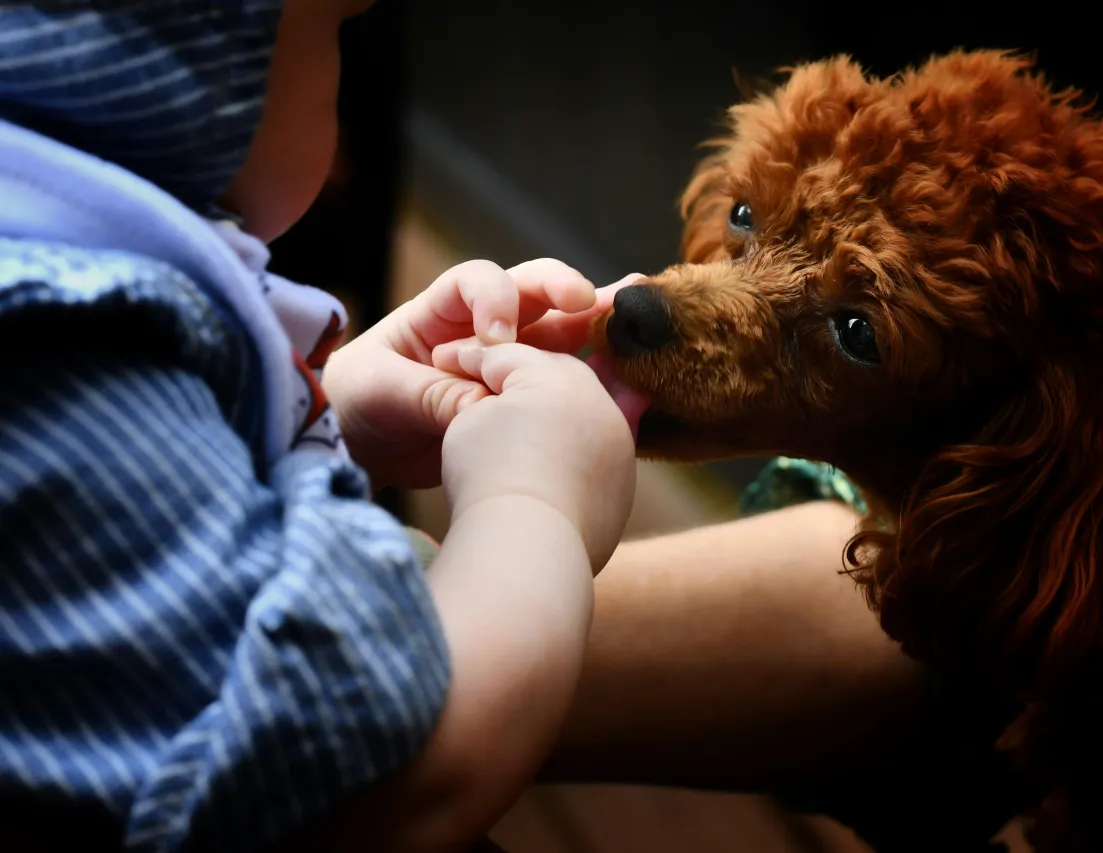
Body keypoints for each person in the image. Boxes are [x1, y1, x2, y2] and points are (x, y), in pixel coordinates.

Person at [0, 2, 637, 851]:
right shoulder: (61, 353)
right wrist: (537, 501)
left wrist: (325, 409)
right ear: (183, 67)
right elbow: (388, 785)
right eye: (332, 28)